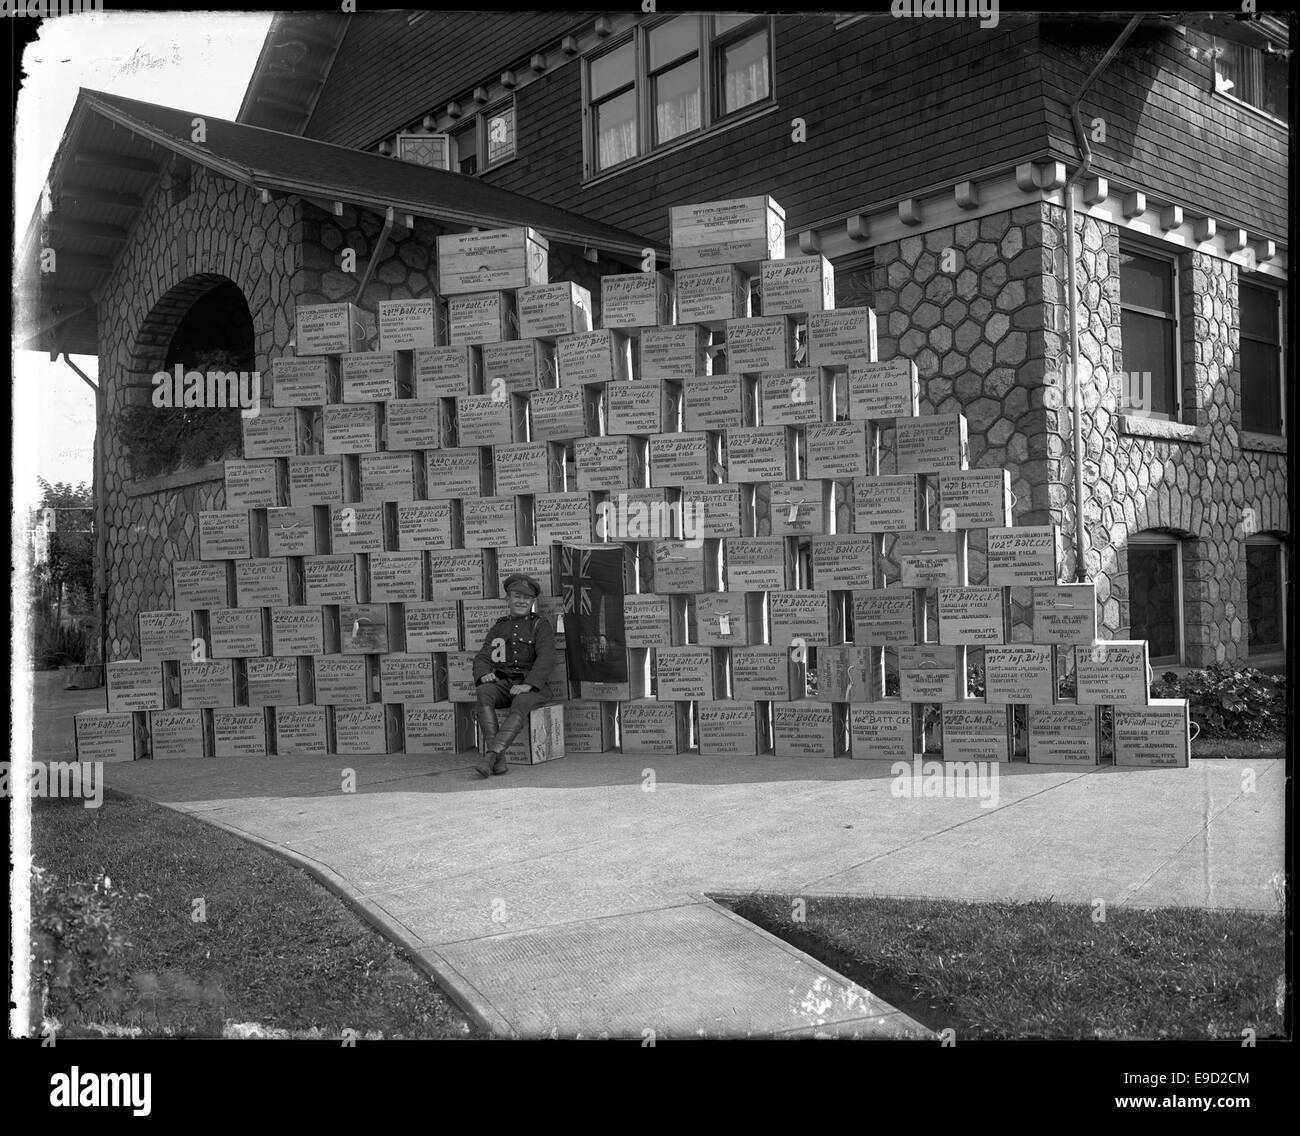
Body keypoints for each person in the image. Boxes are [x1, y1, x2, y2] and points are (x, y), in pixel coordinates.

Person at [472, 573, 557, 778]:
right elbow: (483, 656)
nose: (521, 601)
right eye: (517, 596)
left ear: (532, 602)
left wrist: (529, 684)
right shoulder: (499, 627)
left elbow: (547, 658)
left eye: (526, 598)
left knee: (522, 700)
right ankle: (498, 761)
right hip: (505, 683)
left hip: (534, 688)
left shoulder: (540, 625)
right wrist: (484, 674)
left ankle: (490, 757)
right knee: (484, 692)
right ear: (508, 599)